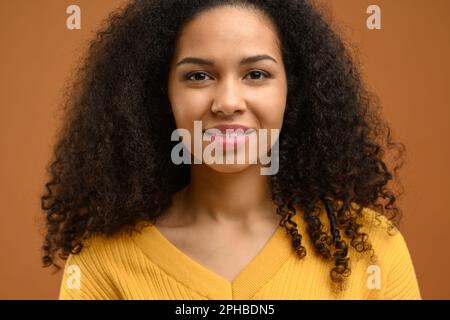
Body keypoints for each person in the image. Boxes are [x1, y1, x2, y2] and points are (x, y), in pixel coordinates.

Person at [41, 0, 421, 299]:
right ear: (162, 93)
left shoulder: (372, 248)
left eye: (256, 74)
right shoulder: (101, 260)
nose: (227, 101)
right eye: (198, 76)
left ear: (293, 90)